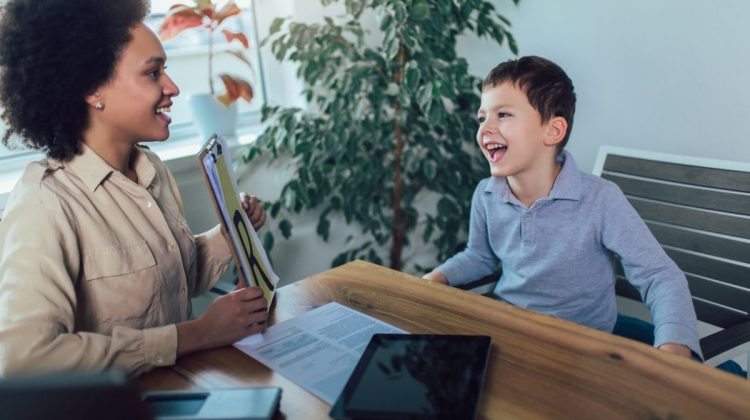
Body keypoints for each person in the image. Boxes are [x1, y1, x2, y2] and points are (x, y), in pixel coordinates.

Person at [0, 0, 268, 376]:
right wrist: (197, 334)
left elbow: (167, 283)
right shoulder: (44, 205)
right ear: (92, 89)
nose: (172, 87)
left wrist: (230, 235)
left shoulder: (150, 170)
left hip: (181, 390)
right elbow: (25, 359)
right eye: (153, 73)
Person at [423, 56, 701, 359]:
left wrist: (674, 347)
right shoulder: (486, 195)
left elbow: (660, 276)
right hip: (508, 333)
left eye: (502, 114)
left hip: (578, 349)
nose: (485, 129)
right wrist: (437, 278)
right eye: (482, 118)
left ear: (553, 131)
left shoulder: (601, 200)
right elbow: (480, 257)